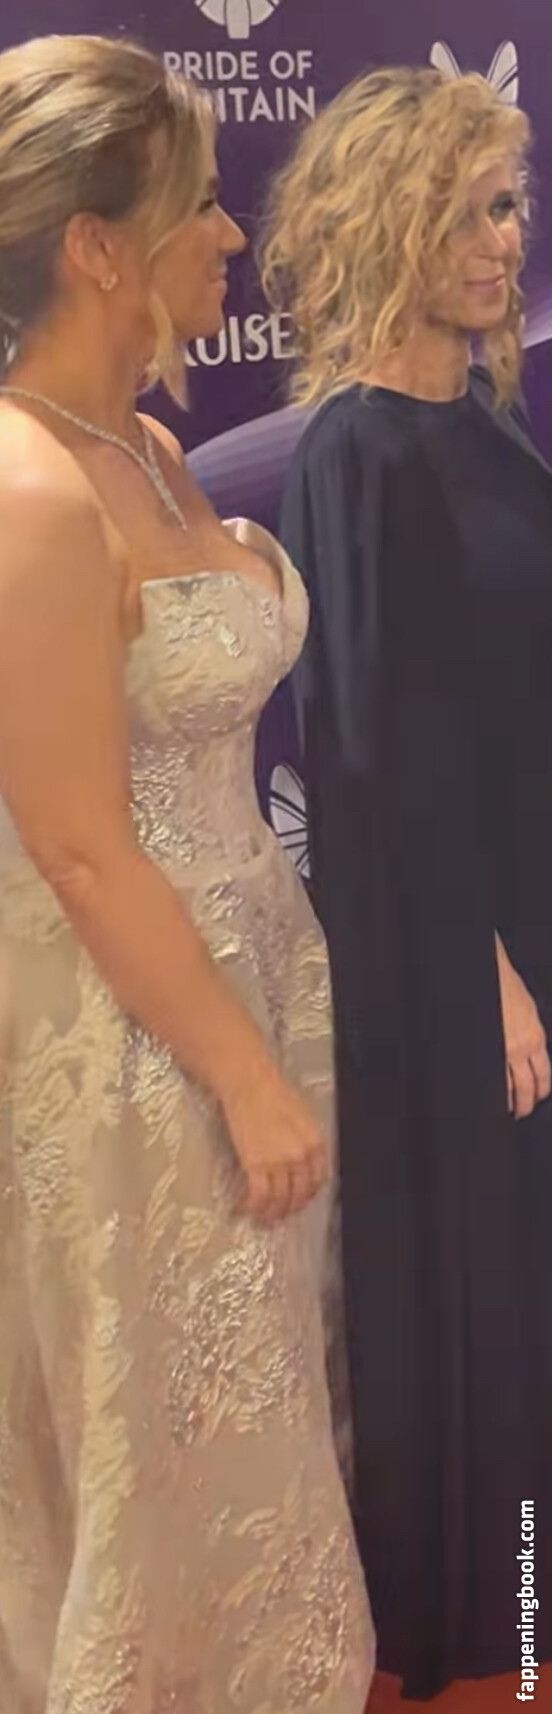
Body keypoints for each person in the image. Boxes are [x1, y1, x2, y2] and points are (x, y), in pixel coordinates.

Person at [0, 34, 375, 1714]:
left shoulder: (148, 445)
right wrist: (241, 1075)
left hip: (243, 985)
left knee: (243, 1419)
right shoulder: (26, 489)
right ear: (97, 245)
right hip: (142, 1042)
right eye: (200, 205)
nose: (232, 235)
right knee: (163, 1442)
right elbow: (80, 843)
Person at [262, 65, 552, 1700]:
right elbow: (379, 756)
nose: (504, 240)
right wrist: (483, 971)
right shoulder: (358, 450)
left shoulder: (480, 418)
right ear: (391, 222)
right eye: (471, 211)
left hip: (524, 900)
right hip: (455, 941)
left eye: (512, 207)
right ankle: (488, 1621)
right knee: (473, 1275)